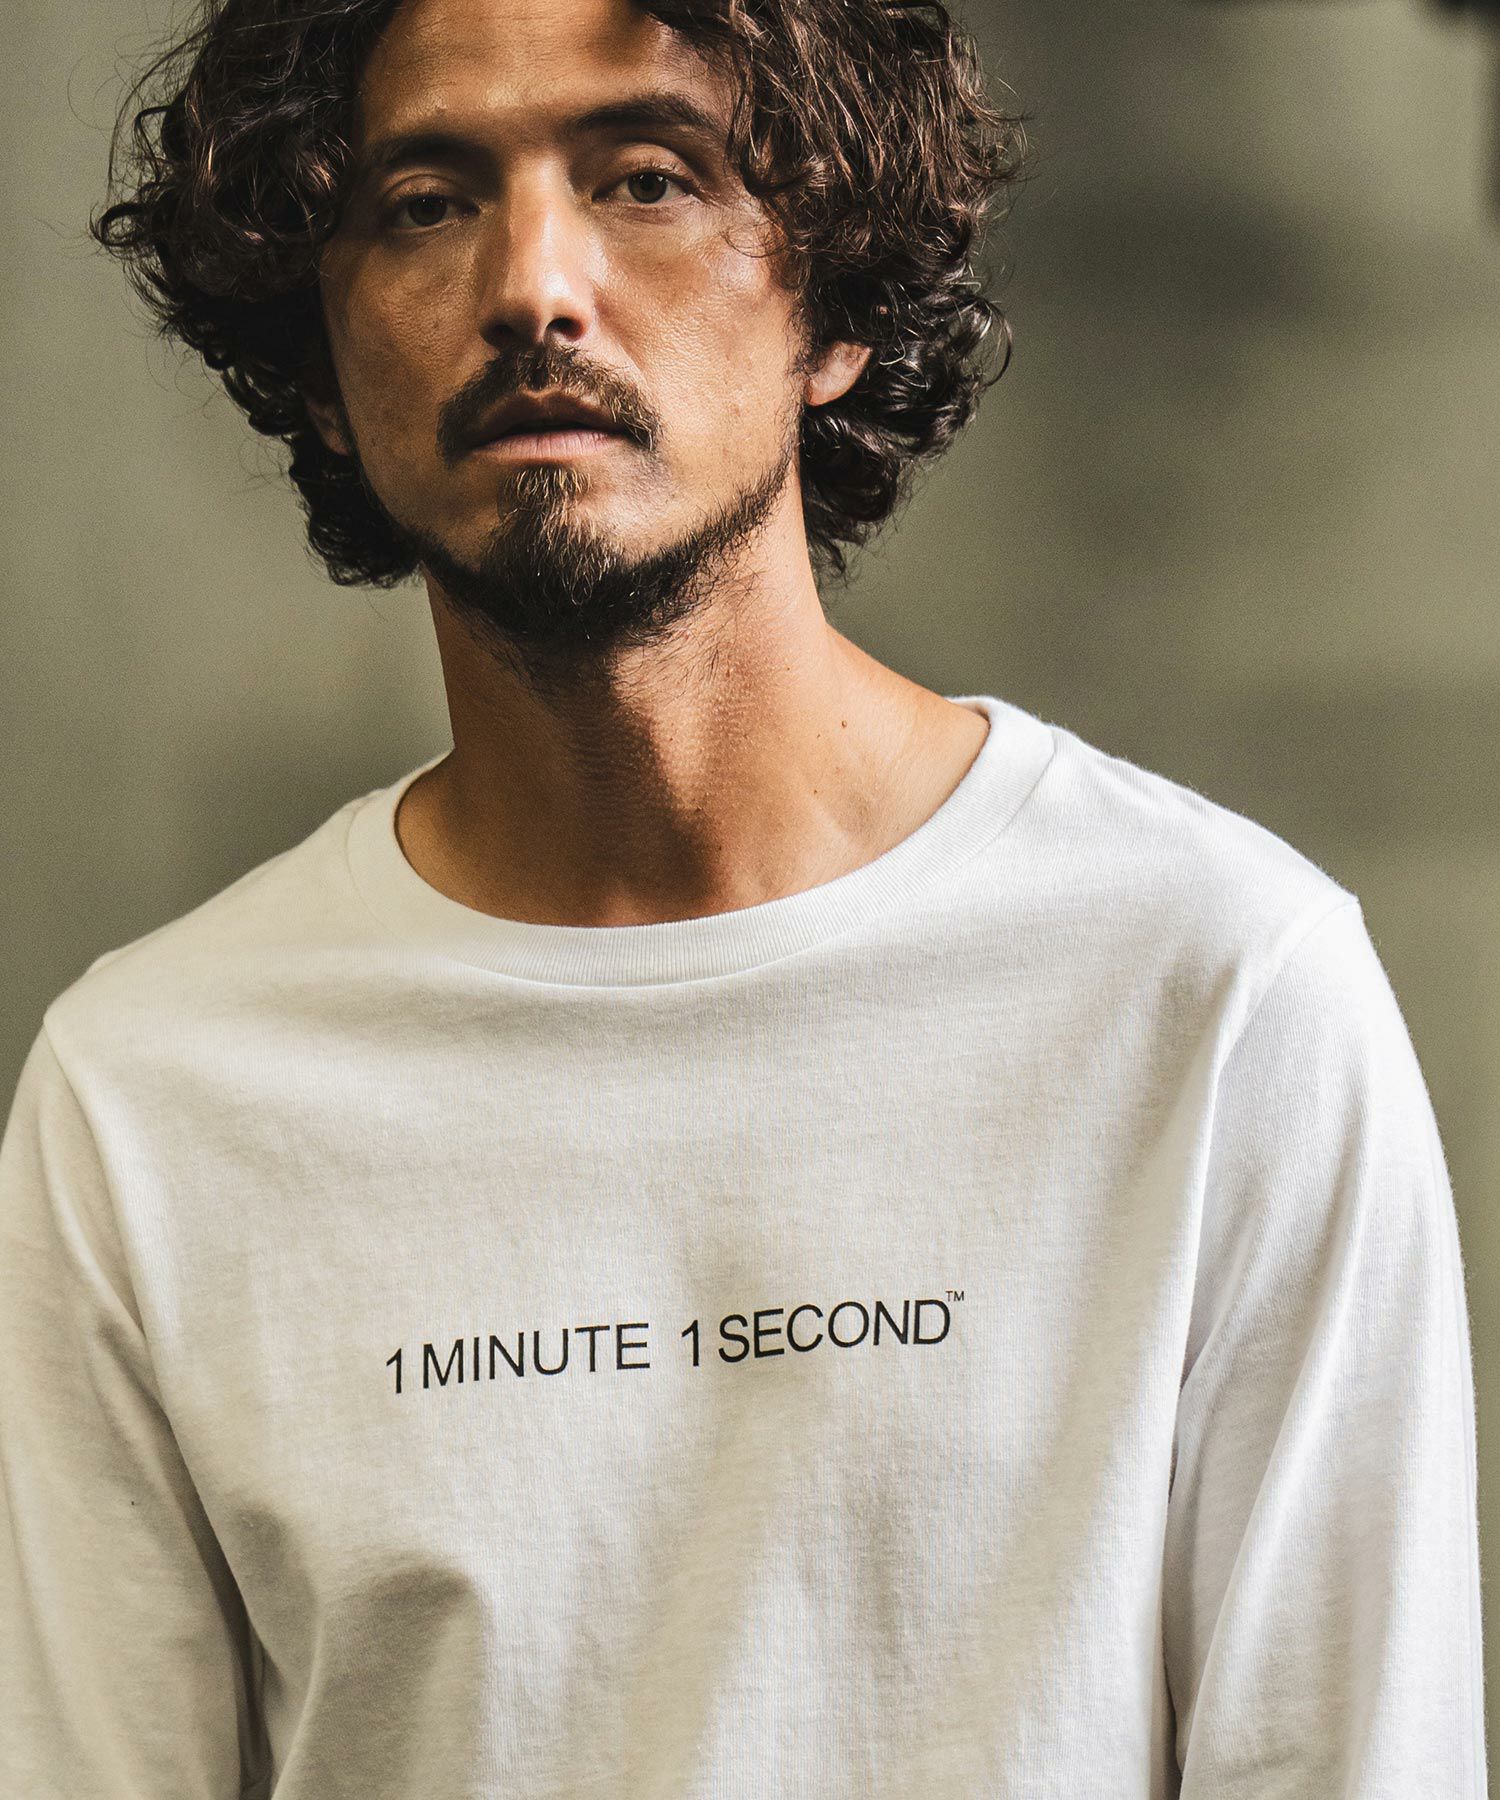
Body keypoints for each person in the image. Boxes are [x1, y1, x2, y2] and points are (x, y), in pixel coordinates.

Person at [0, 0, 1486, 1793]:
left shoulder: (1216, 986)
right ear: (318, 358)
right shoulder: (148, 1100)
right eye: (423, 203)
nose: (534, 286)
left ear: (835, 309)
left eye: (646, 178)